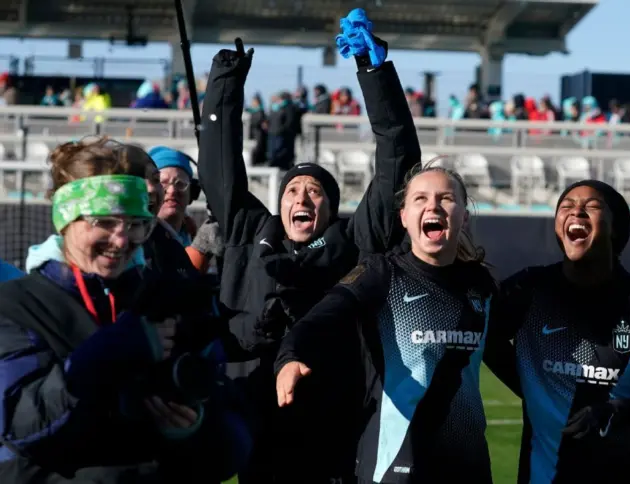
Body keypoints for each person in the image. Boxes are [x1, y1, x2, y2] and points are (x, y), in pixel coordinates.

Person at [197, 21, 420, 482]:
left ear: (331, 207)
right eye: (293, 189)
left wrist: (373, 73)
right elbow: (220, 164)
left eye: (315, 191)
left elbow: (397, 162)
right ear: (280, 203)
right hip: (255, 417)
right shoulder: (248, 230)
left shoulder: (355, 244)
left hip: (336, 427)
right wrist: (225, 82)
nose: (302, 198)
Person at [0, 139, 250, 482]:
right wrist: (107, 353)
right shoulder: (16, 305)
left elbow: (232, 443)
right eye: (104, 221)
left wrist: (194, 427)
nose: (122, 239)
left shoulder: (166, 300)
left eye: (136, 224)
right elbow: (22, 427)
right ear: (66, 218)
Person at [276, 165, 496, 484]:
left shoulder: (481, 286)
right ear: (404, 216)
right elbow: (322, 318)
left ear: (464, 216)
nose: (432, 206)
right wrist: (291, 357)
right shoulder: (382, 273)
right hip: (396, 467)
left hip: (469, 468)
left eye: (445, 198)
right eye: (420, 198)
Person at [489, 180, 630, 484]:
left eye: (591, 206)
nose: (576, 211)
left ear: (616, 227)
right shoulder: (528, 290)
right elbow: (486, 338)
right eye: (566, 206)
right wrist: (529, 386)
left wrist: (613, 411)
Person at [147, 146, 198, 247]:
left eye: (180, 184)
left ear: (192, 193)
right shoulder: (139, 240)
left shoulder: (193, 237)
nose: (172, 190)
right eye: (163, 183)